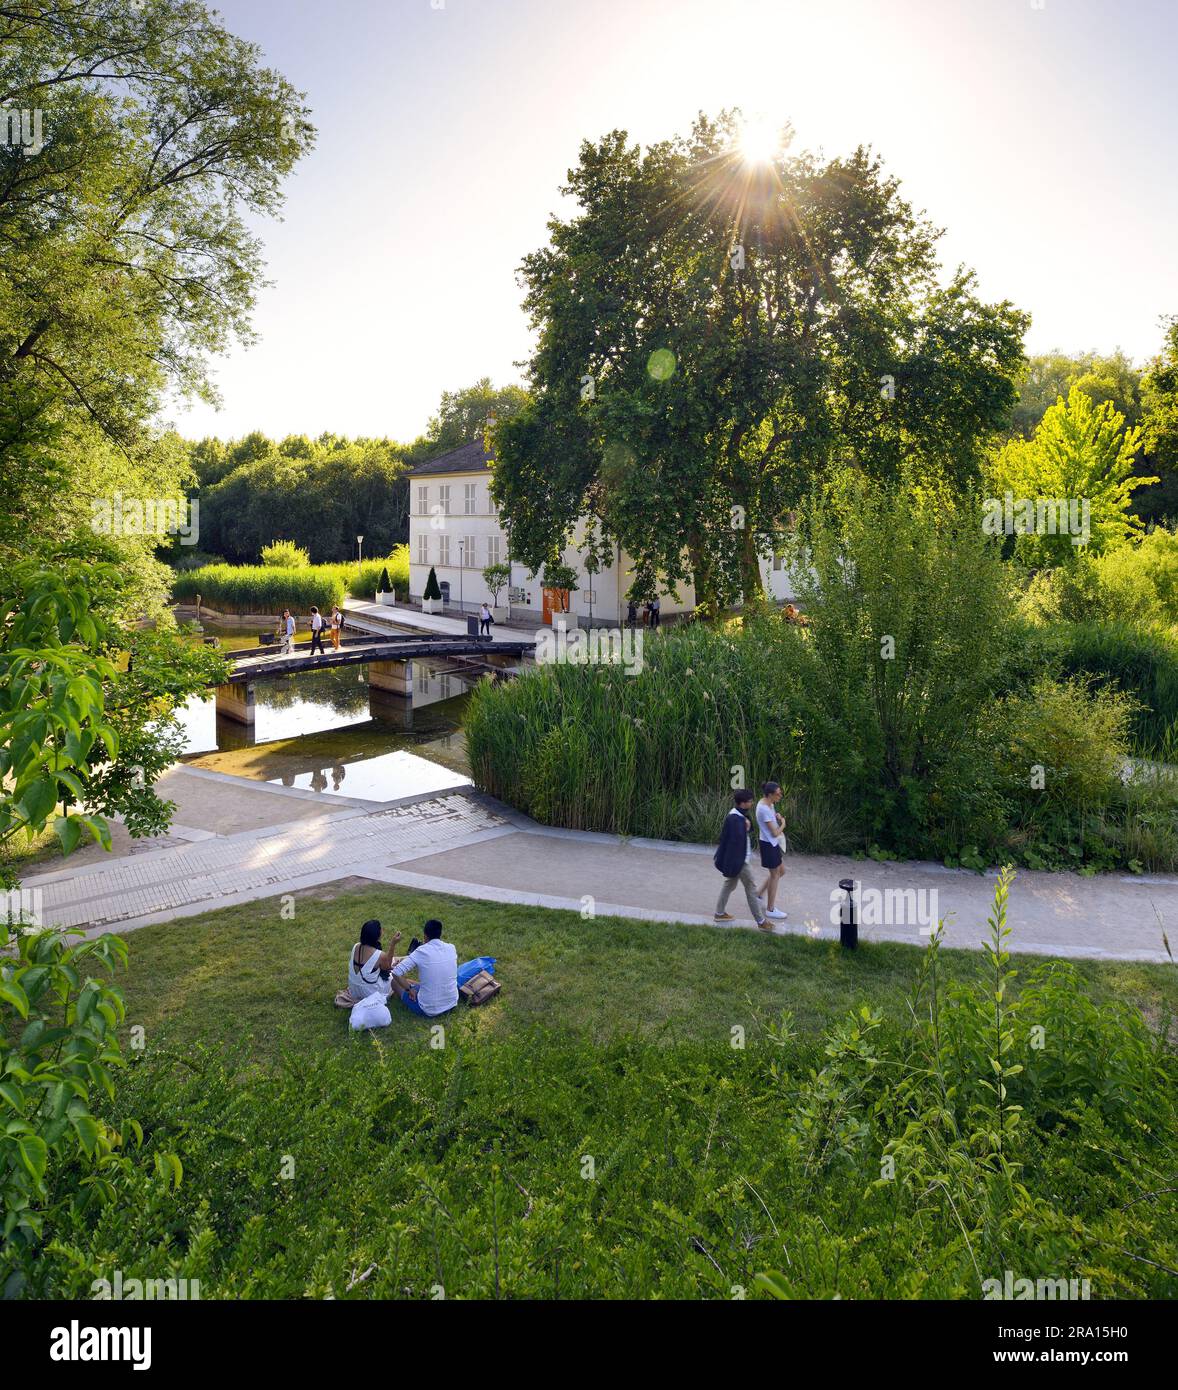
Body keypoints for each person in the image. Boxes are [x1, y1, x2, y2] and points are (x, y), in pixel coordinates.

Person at [713, 789, 770, 930]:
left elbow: (742, 833)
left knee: (729, 885)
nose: (752, 803)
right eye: (750, 801)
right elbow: (734, 843)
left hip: (738, 860)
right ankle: (761, 922)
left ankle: (719, 913)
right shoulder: (735, 819)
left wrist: (747, 826)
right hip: (740, 862)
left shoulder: (738, 815)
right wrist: (737, 864)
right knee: (751, 889)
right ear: (743, 803)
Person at [388, 918, 458, 1017]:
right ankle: (410, 987)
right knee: (409, 981)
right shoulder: (451, 947)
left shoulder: (422, 951)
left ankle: (407, 992)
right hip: (451, 1003)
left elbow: (396, 972)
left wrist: (409, 990)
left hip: (428, 1009)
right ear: (440, 934)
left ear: (425, 935)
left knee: (394, 982)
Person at [347, 918, 403, 1002]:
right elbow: (388, 967)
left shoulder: (356, 946)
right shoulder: (380, 955)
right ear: (377, 935)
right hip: (369, 993)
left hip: (354, 990)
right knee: (394, 976)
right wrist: (393, 944)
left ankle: (408, 957)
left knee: (392, 961)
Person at [756, 781, 788, 920]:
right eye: (778, 794)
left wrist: (777, 817)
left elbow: (771, 821)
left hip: (772, 844)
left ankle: (757, 895)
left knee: (781, 871)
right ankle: (770, 909)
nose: (780, 795)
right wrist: (783, 823)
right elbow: (775, 833)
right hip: (768, 844)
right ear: (769, 794)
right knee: (775, 875)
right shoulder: (763, 808)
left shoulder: (769, 804)